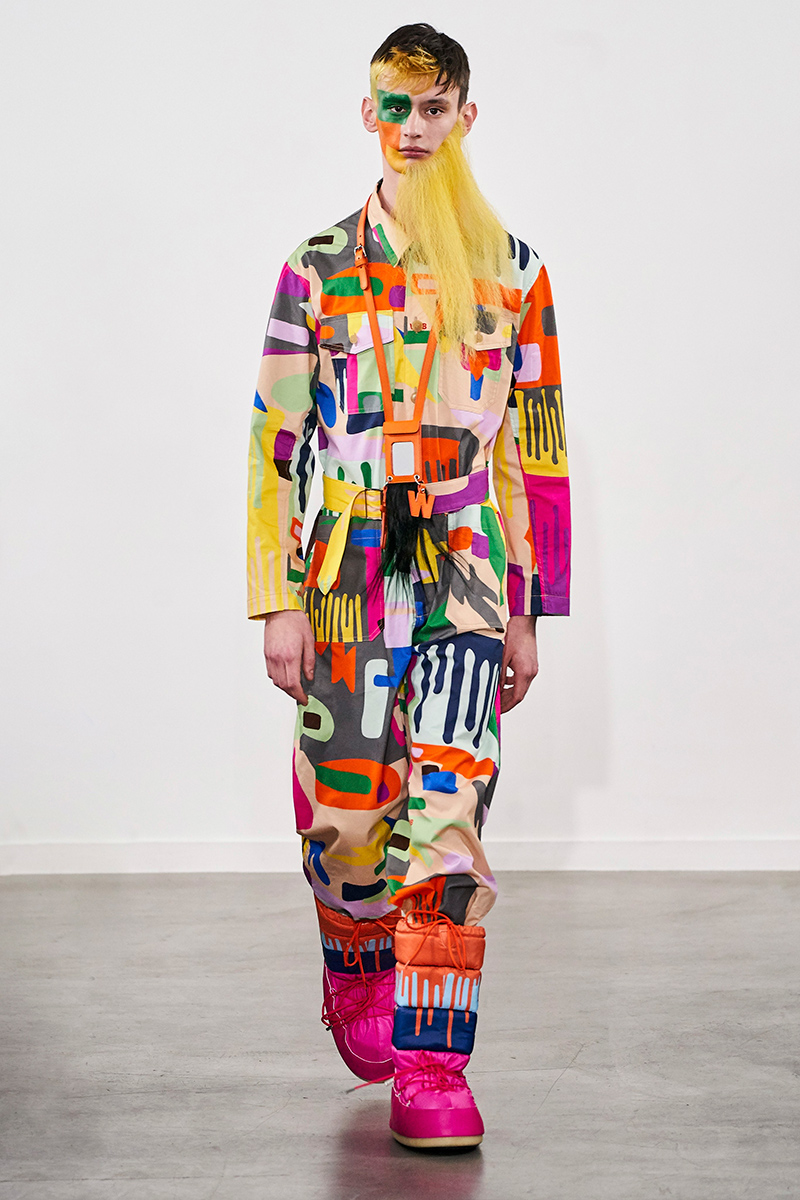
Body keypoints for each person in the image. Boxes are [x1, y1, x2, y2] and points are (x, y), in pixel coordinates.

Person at [246, 23, 570, 1150]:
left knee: (448, 819)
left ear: (466, 118)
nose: (416, 128)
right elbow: (273, 443)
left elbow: (534, 450)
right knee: (347, 821)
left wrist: (528, 608)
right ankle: (352, 957)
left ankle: (435, 1066)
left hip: (466, 572)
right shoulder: (315, 268)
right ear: (369, 113)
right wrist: (277, 598)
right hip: (343, 571)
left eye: (436, 108)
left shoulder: (514, 271)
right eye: (398, 106)